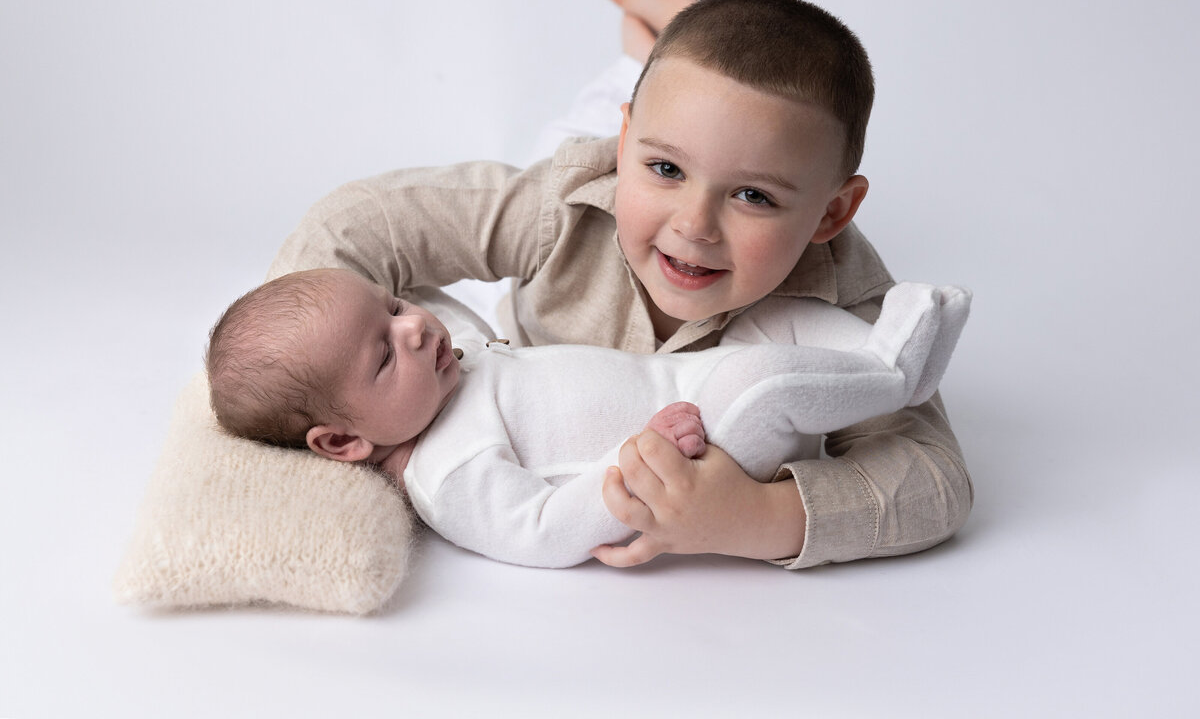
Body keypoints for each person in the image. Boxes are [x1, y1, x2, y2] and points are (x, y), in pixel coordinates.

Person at [265, 0, 973, 569]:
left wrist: (755, 517)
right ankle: (665, 41)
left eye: (753, 195)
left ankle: (678, 52)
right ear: (626, 144)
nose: (694, 227)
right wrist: (311, 375)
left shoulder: (848, 297)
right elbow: (355, 224)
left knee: (710, 113)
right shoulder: (568, 201)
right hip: (565, 225)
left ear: (831, 213)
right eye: (665, 169)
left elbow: (934, 481)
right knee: (598, 114)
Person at [207, 268, 970, 568]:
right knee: (762, 385)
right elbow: (534, 530)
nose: (413, 329)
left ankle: (876, 354)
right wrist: (628, 469)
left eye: (394, 306)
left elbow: (467, 319)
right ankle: (895, 375)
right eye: (383, 353)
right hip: (702, 454)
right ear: (344, 440)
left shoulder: (448, 367)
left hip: (685, 376)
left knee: (778, 319)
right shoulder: (447, 470)